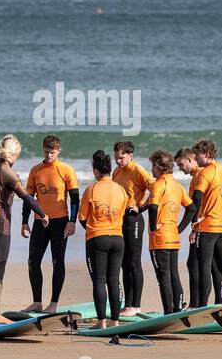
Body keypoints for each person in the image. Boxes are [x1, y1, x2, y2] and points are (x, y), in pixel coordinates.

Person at [0, 134, 47, 320]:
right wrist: (42, 213)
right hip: (1, 227)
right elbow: (26, 197)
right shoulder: (7, 172)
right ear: (14, 153)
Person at [21, 134, 79, 314]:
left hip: (60, 222)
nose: (49, 156)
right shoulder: (36, 170)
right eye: (46, 152)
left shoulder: (66, 170)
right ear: (42, 149)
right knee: (33, 261)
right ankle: (37, 302)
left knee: (57, 261)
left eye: (52, 153)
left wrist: (72, 221)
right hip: (40, 222)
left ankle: (53, 304)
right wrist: (24, 222)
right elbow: (28, 199)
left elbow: (75, 198)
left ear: (58, 151)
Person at [78, 149, 130, 328]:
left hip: (97, 239)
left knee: (99, 280)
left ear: (95, 171)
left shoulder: (91, 190)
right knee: (114, 279)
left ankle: (101, 322)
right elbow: (122, 213)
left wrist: (95, 231)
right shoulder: (121, 190)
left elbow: (82, 218)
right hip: (117, 238)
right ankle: (115, 320)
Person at [190, 139, 222, 308]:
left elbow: (197, 196)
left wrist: (194, 220)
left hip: (206, 227)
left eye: (198, 154)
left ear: (208, 154)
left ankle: (202, 308)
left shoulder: (205, 173)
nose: (195, 157)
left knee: (204, 267)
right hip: (221, 227)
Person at [146, 149, 196, 314]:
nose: (151, 170)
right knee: (174, 274)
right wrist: (180, 228)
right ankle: (177, 308)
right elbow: (191, 208)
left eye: (153, 166)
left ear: (159, 167)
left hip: (159, 239)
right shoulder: (177, 185)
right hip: (173, 238)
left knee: (164, 278)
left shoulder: (158, 184)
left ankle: (168, 313)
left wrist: (153, 228)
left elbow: (153, 206)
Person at [111, 140, 154, 317]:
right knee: (124, 263)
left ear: (130, 155)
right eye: (116, 158)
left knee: (134, 262)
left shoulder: (138, 170)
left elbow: (156, 190)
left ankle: (136, 305)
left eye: (121, 157)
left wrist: (140, 207)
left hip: (134, 219)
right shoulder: (116, 172)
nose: (118, 161)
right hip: (120, 220)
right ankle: (128, 304)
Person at [174, 147, 202, 312]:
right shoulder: (197, 176)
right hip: (206, 225)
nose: (180, 168)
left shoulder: (200, 176)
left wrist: (193, 228)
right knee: (198, 265)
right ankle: (197, 303)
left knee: (197, 265)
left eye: (181, 164)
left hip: (203, 226)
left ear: (191, 160)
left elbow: (197, 204)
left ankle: (196, 305)